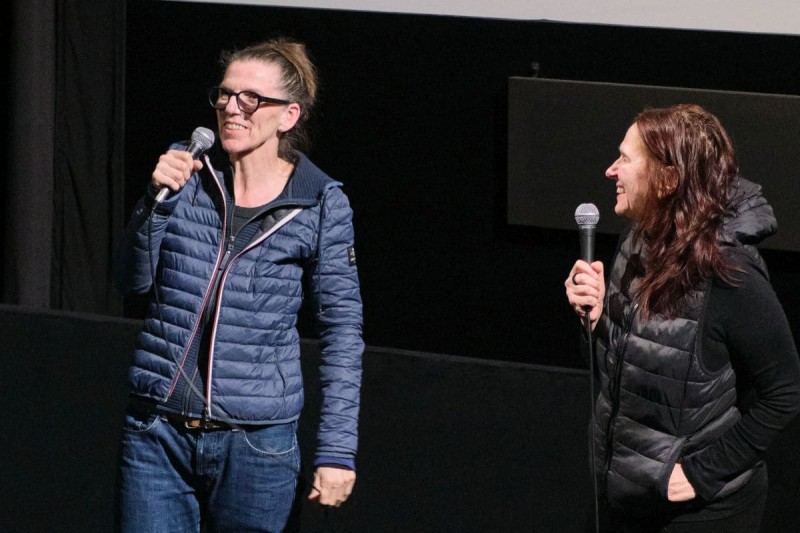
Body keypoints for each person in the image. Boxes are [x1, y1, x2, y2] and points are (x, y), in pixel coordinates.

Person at [113, 37, 363, 532]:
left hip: (255, 446)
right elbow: (131, 281)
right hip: (156, 432)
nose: (232, 108)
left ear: (288, 116)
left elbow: (342, 333)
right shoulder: (186, 173)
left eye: (251, 98)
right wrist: (154, 202)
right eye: (225, 95)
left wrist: (337, 450)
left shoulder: (320, 203)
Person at [565, 104, 800, 532]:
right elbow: (629, 374)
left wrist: (701, 472)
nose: (610, 171)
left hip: (700, 514)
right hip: (627, 497)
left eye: (625, 159)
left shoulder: (732, 277)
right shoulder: (638, 243)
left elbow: (784, 392)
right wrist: (597, 323)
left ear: (668, 179)